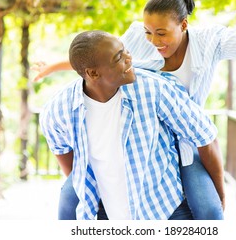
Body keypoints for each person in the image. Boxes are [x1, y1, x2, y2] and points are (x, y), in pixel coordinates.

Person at [33, 0, 236, 220]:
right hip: (144, 132)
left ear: (184, 24)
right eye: (149, 32)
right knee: (69, 201)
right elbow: (98, 58)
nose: (154, 41)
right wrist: (54, 65)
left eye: (162, 33)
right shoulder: (137, 40)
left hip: (184, 139)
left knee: (208, 209)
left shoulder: (209, 42)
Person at [39, 30, 221, 220]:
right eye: (118, 57)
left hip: (164, 210)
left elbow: (205, 135)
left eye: (125, 50)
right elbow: (65, 157)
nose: (129, 58)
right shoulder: (57, 111)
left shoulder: (154, 89)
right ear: (93, 73)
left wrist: (220, 198)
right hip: (103, 213)